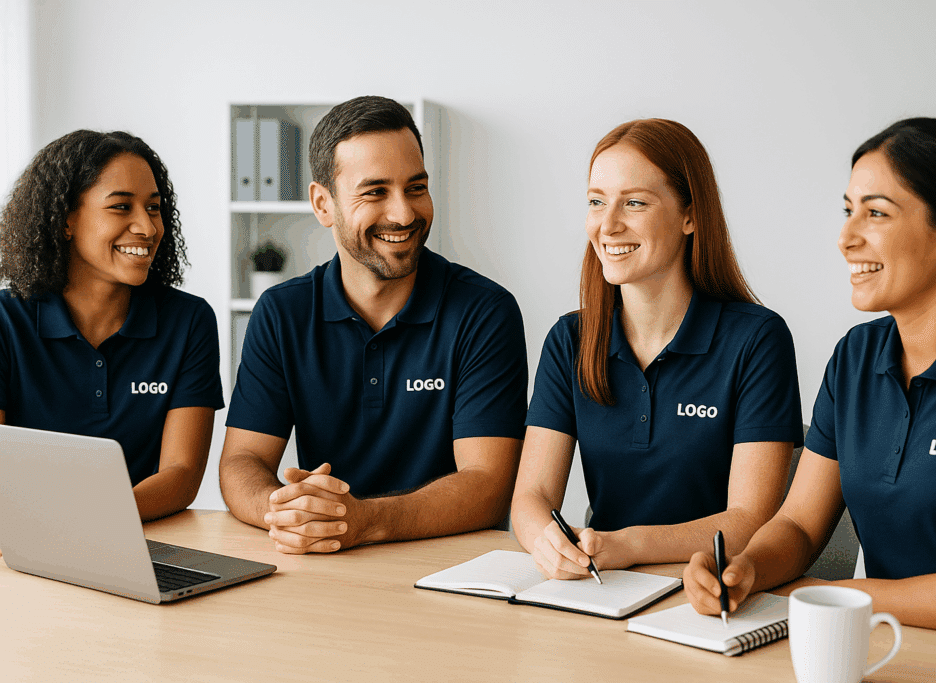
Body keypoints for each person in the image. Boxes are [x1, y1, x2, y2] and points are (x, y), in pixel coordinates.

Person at [684, 117, 936, 646]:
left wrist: (818, 597)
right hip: (883, 647)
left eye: (876, 213)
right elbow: (798, 525)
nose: (846, 238)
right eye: (848, 211)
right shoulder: (855, 357)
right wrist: (748, 569)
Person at [220, 96, 529, 554]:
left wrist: (364, 521)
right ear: (323, 204)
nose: (403, 214)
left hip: (452, 571)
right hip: (328, 562)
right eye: (375, 192)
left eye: (416, 187)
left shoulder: (485, 312)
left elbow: (487, 487)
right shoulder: (281, 313)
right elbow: (242, 460)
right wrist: (284, 510)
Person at [510, 119, 804, 579]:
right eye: (596, 202)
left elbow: (750, 521)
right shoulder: (570, 340)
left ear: (690, 215)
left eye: (634, 203)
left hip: (711, 592)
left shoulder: (757, 340)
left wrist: (627, 545)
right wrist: (544, 542)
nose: (608, 225)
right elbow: (531, 498)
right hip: (604, 588)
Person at [0, 130, 223, 523]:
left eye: (154, 208)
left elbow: (181, 475)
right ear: (66, 219)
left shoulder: (189, 321)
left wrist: (95, 520)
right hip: (21, 536)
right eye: (121, 207)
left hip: (142, 538)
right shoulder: (5, 321)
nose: (147, 228)